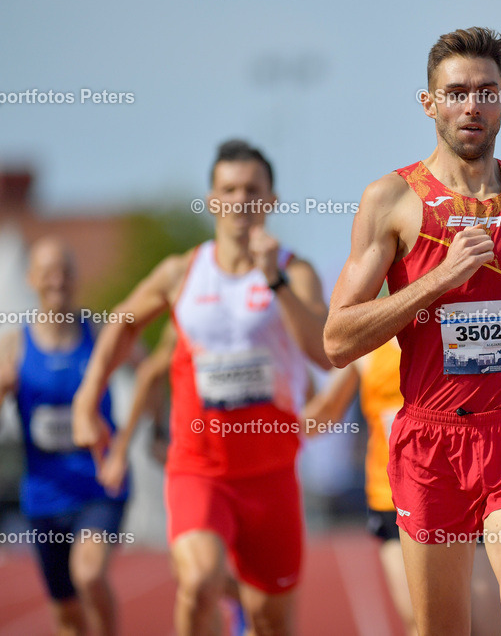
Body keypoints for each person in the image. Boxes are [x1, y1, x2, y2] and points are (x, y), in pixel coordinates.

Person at [323, 27, 501, 635]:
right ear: (429, 103)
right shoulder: (392, 200)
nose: (470, 105)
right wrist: (437, 280)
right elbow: (338, 339)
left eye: (485, 91)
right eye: (454, 93)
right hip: (434, 440)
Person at [72, 139, 331, 636]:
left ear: (271, 200)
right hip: (199, 470)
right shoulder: (181, 272)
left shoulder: (296, 271)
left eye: (252, 190)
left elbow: (322, 350)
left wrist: (273, 279)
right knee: (200, 580)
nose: (240, 200)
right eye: (228, 189)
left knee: (270, 620)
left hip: (272, 474)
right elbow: (121, 324)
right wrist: (88, 397)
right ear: (212, 200)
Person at [0, 237, 129, 636]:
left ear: (76, 278)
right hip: (43, 497)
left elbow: (152, 370)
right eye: (47, 272)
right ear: (31, 279)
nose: (57, 281)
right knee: (67, 614)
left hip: (99, 487)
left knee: (89, 574)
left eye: (65, 272)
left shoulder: (100, 334)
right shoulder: (12, 347)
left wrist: (151, 433)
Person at [301, 337, 501, 635]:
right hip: (394, 501)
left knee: (483, 625)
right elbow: (326, 411)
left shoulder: (455, 333)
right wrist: (270, 426)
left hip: (464, 496)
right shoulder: (367, 344)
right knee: (422, 621)